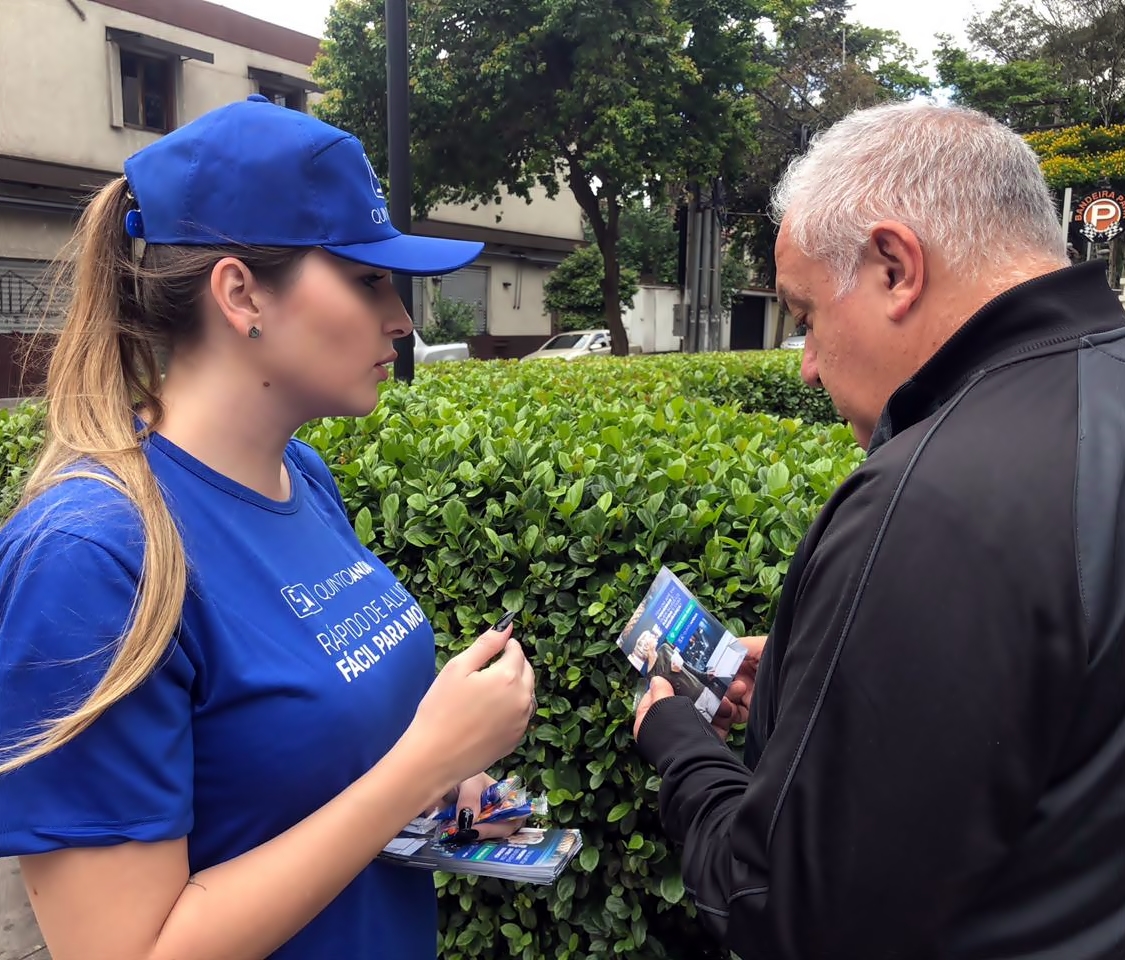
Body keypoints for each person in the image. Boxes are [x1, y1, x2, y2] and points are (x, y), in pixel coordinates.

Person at [0, 95, 536, 960]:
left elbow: (304, 766)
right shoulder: (92, 556)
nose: (401, 321)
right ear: (240, 292)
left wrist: (445, 783)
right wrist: (419, 766)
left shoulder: (301, 477)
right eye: (367, 281)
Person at [634, 101, 1125, 960]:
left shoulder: (930, 495)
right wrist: (803, 667)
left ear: (895, 267)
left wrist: (679, 746)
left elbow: (785, 909)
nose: (808, 362)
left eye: (805, 314)